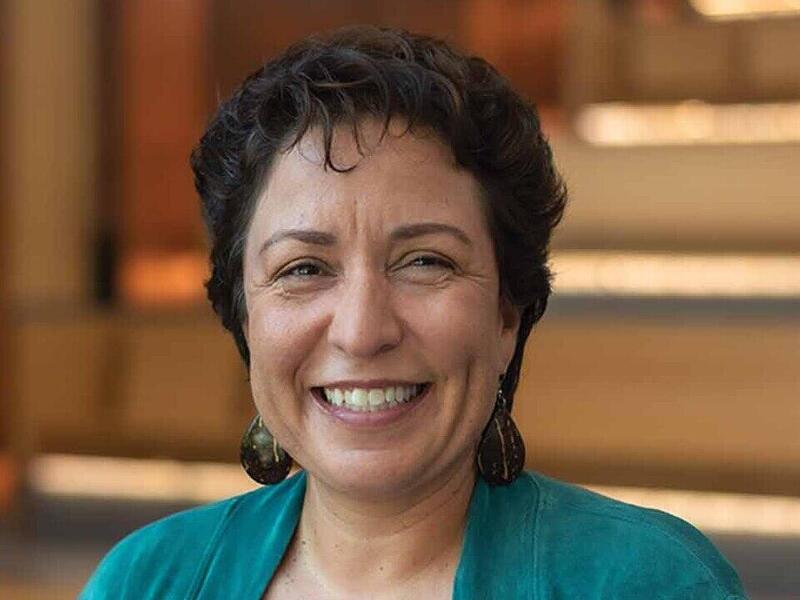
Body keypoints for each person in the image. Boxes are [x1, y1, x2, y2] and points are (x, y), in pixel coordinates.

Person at [81, 26, 747, 599]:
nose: (363, 331)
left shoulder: (644, 582)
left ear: (508, 314)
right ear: (244, 320)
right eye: (304, 269)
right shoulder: (146, 579)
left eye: (425, 261)